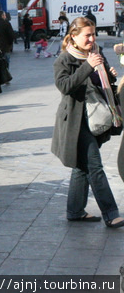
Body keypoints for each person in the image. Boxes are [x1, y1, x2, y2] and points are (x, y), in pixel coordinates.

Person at [51, 17, 124, 228]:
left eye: (93, 34)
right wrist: (87, 68)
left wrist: (109, 77)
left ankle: (75, 211)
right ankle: (111, 213)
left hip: (96, 118)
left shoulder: (96, 53)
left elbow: (102, 85)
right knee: (94, 166)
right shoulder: (64, 59)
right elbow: (65, 87)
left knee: (82, 167)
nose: (92, 39)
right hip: (76, 121)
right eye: (87, 35)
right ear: (74, 37)